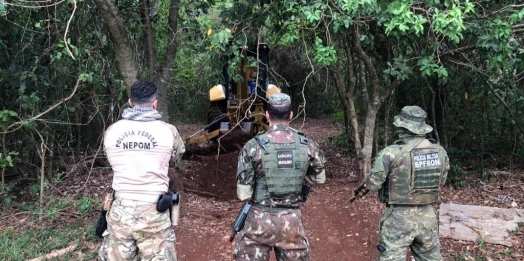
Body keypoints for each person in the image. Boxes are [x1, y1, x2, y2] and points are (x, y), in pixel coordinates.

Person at [233, 93, 327, 261]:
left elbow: (244, 194)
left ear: (267, 115)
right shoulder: (307, 145)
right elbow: (319, 179)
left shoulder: (253, 147)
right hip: (291, 224)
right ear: (291, 115)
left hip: (258, 223)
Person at [98, 80, 185, 261]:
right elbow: (175, 160)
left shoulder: (111, 131)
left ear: (130, 102)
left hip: (120, 210)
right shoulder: (169, 132)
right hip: (155, 211)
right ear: (155, 104)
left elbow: (110, 159)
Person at [365, 106, 449, 261]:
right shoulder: (440, 152)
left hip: (398, 217)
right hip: (427, 217)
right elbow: (441, 181)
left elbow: (373, 184)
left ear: (401, 126)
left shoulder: (390, 152)